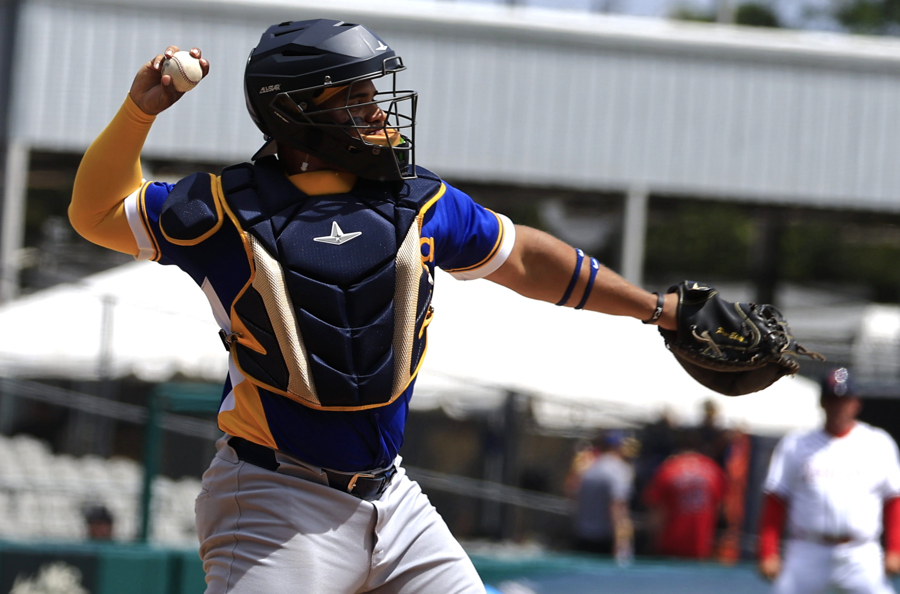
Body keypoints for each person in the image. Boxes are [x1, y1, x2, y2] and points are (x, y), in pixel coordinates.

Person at [69, 19, 683, 593]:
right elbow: (94, 214)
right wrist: (136, 115)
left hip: (395, 499)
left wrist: (657, 308)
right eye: (355, 98)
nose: (380, 113)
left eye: (373, 94)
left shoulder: (418, 201)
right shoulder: (223, 210)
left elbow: (525, 259)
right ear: (296, 111)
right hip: (275, 497)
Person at [757, 367, 900, 594]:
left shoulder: (878, 443)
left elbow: (893, 500)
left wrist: (895, 549)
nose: (838, 406)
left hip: (861, 552)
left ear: (856, 403)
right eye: (832, 399)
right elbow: (776, 500)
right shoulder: (796, 444)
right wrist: (768, 551)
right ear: (822, 402)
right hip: (808, 549)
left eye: (844, 399)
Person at [642, 429, 727, 559]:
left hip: (670, 546)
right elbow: (720, 508)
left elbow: (656, 513)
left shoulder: (668, 468)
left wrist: (651, 543)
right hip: (701, 546)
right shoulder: (713, 468)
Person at [572, 430, 635, 562]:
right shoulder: (619, 470)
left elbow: (573, 495)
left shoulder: (588, 468)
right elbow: (617, 507)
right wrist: (621, 542)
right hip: (605, 539)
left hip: (582, 535)